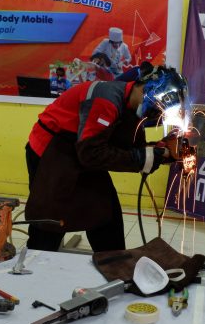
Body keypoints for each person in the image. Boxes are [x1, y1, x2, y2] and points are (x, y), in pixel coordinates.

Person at [24, 63, 189, 252]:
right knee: (51, 217)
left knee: (105, 212)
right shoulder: (106, 100)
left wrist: (162, 151)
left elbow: (129, 148)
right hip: (52, 153)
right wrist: (143, 158)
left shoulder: (132, 105)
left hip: (82, 151)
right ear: (147, 91)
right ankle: (36, 260)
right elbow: (92, 154)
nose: (155, 115)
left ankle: (112, 259)